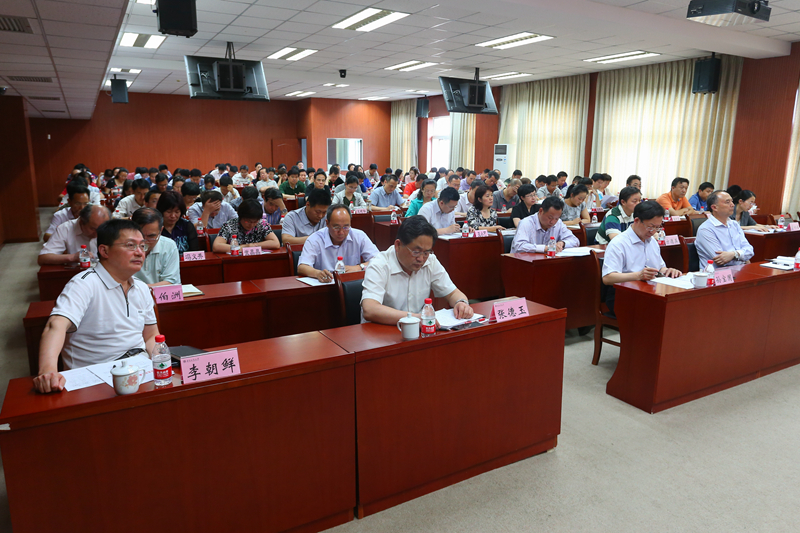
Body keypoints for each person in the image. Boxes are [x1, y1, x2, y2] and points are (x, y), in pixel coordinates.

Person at [33, 219, 161, 393]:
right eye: (130, 245)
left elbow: (151, 336)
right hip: (97, 375)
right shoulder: (84, 284)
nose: (139, 252)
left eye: (142, 246)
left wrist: (161, 363)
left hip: (140, 369)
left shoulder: (141, 288)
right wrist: (47, 371)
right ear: (104, 250)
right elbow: (55, 325)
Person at [360, 216, 474, 324]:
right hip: (381, 331)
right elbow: (370, 309)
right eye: (416, 252)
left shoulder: (431, 261)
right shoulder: (379, 265)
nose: (421, 259)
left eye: (426, 252)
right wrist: (414, 319)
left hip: (418, 330)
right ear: (398, 245)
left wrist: (461, 303)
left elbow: (453, 293)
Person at [601, 200, 683, 316]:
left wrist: (668, 271)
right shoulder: (618, 243)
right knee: (662, 312)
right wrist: (638, 276)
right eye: (650, 227)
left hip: (650, 291)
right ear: (636, 221)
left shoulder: (652, 242)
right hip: (623, 295)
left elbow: (660, 268)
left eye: (657, 227)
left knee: (677, 306)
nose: (653, 232)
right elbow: (607, 278)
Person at [297, 205, 379, 282]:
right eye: (336, 227)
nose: (341, 232)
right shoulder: (315, 239)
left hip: (351, 285)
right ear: (327, 223)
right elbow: (302, 267)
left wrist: (359, 267)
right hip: (325, 285)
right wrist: (317, 273)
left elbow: (379, 260)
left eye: (346, 227)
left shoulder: (359, 236)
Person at [695, 190, 754, 267]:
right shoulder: (706, 229)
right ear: (714, 207)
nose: (732, 205)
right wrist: (742, 256)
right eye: (727, 202)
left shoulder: (734, 224)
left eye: (732, 201)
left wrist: (734, 254)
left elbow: (750, 251)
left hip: (739, 269)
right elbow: (721, 260)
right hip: (718, 272)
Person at [39, 205, 109, 266]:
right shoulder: (65, 228)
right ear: (81, 222)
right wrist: (73, 257)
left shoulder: (110, 228)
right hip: (76, 273)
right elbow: (43, 258)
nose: (98, 233)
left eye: (102, 229)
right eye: (93, 229)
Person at [130, 208, 180, 287]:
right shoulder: (123, 246)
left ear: (161, 230)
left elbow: (171, 282)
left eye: (151, 236)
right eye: (141, 235)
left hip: (159, 294)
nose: (145, 241)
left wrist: (142, 290)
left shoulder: (169, 246)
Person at [510, 197, 579, 253]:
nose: (552, 222)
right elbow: (519, 246)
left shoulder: (559, 223)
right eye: (550, 218)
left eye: (556, 218)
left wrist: (563, 243)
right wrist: (545, 248)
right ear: (541, 211)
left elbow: (575, 241)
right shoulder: (526, 223)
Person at [213, 199, 280, 253]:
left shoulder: (262, 224)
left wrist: (254, 246)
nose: (251, 225)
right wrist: (243, 247)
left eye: (255, 222)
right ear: (240, 217)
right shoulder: (230, 225)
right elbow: (216, 246)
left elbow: (276, 243)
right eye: (247, 221)